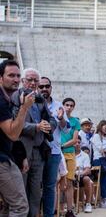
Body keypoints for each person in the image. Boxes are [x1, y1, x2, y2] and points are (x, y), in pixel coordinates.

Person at [10, 69, 58, 217]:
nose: (33, 83)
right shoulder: (16, 97)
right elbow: (14, 125)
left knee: (36, 192)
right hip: (22, 151)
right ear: (23, 80)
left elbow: (52, 120)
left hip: (39, 151)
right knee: (21, 191)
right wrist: (36, 127)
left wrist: (49, 125)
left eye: (35, 80)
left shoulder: (40, 99)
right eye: (29, 80)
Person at [0, 60, 35, 216]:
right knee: (20, 206)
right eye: (11, 75)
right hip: (1, 161)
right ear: (0, 77)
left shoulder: (7, 99)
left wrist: (20, 156)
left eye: (18, 76)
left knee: (9, 206)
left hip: (7, 156)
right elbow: (13, 133)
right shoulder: (0, 101)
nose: (15, 79)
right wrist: (25, 107)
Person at [37, 76, 69, 217]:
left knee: (50, 187)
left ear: (51, 88)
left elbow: (66, 129)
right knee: (34, 187)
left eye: (47, 86)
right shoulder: (31, 103)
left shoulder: (58, 106)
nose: (44, 88)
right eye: (41, 86)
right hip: (36, 151)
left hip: (53, 151)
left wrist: (61, 118)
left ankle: (49, 215)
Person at [60, 98, 81, 217]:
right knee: (56, 182)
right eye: (67, 105)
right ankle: (56, 209)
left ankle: (69, 210)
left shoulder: (75, 121)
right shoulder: (57, 118)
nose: (69, 107)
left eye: (71, 105)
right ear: (63, 106)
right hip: (57, 154)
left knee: (69, 182)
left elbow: (74, 140)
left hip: (69, 153)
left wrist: (62, 146)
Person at [90, 120, 106, 208]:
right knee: (103, 180)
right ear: (101, 127)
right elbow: (100, 148)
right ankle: (103, 199)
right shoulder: (96, 136)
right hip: (98, 160)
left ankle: (105, 199)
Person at [75, 137, 93, 213]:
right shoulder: (68, 154)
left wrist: (80, 173)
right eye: (75, 142)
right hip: (69, 176)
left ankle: (88, 204)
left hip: (81, 176)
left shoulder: (85, 155)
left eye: (79, 142)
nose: (77, 144)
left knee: (87, 179)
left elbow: (87, 170)